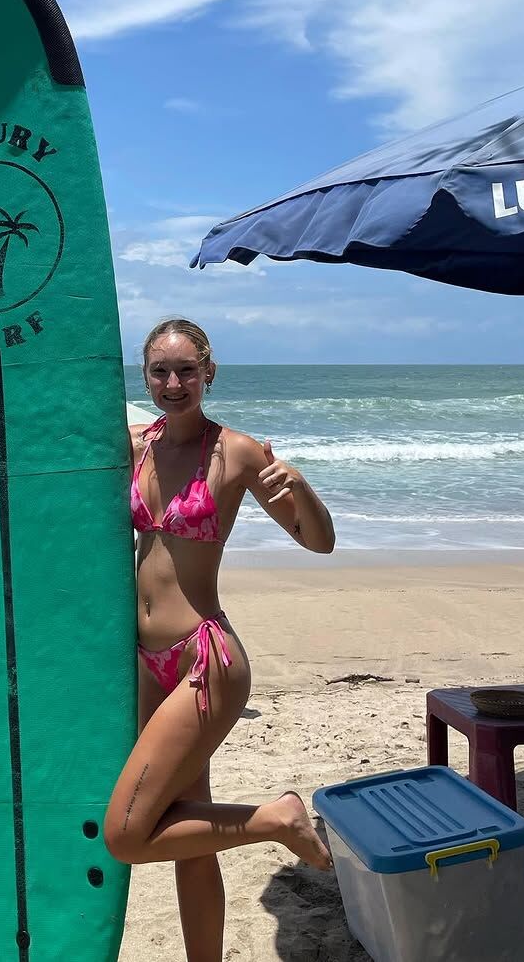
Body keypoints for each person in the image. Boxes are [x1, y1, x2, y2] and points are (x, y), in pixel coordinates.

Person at [102, 318, 335, 962]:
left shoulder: (235, 452)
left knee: (126, 833)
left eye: (185, 370)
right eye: (159, 371)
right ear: (144, 376)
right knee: (191, 831)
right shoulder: (135, 444)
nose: (172, 383)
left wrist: (302, 489)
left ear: (209, 372)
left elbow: (319, 540)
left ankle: (276, 818)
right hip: (146, 663)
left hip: (205, 661)